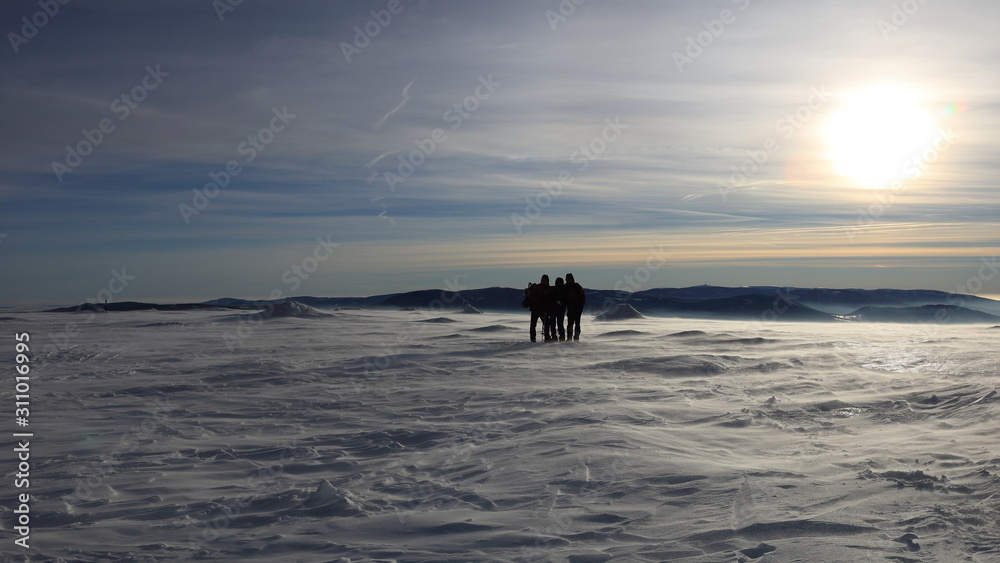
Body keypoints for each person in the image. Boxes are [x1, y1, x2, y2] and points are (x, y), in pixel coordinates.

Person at [523, 274, 551, 343]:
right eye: (544, 280)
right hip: (536, 309)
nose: (545, 281)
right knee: (535, 325)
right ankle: (534, 339)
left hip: (540, 309)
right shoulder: (537, 288)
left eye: (546, 280)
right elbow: (534, 298)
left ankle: (545, 338)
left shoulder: (547, 289)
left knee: (545, 324)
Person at [564, 273, 586, 341]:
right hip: (570, 308)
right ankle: (569, 337)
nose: (569, 280)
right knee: (570, 324)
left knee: (577, 324)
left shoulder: (577, 286)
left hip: (577, 308)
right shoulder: (565, 287)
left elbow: (582, 297)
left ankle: (576, 337)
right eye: (568, 279)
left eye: (570, 279)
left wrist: (581, 306)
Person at [550, 277, 567, 341]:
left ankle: (561, 337)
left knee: (559, 324)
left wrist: (561, 304)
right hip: (554, 309)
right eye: (558, 282)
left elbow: (566, 300)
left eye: (560, 282)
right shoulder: (554, 289)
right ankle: (555, 337)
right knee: (553, 324)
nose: (559, 283)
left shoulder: (563, 290)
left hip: (560, 310)